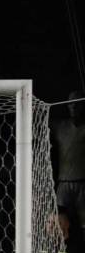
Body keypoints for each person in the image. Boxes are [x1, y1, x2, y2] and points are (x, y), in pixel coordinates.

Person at [51, 90, 85, 236]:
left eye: (77, 104)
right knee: (59, 223)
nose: (73, 107)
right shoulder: (60, 126)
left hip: (83, 183)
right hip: (63, 184)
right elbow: (38, 121)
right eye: (70, 104)